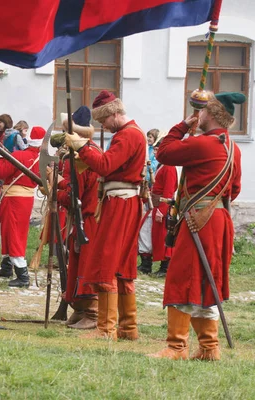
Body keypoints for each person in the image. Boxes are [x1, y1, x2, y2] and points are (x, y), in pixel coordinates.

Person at [148, 92, 242, 361]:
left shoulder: (203, 144)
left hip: (200, 220)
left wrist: (182, 126)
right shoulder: (232, 147)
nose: (198, 115)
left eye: (201, 111)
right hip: (218, 220)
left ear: (209, 114)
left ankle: (177, 346)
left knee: (183, 277)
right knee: (205, 281)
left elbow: (164, 152)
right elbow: (233, 190)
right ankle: (209, 347)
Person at [65, 91, 146, 340]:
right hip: (121, 202)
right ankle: (127, 328)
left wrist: (83, 146)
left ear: (113, 114)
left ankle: (106, 329)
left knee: (108, 263)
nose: (103, 126)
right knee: (121, 266)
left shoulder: (128, 135)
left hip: (120, 204)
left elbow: (105, 165)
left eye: (103, 121)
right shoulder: (129, 134)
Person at [54, 106, 101, 329]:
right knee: (77, 263)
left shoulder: (83, 157)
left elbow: (75, 195)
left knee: (86, 266)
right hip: (83, 217)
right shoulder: (85, 151)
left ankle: (92, 312)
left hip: (89, 218)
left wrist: (56, 186)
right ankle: (81, 309)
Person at [0, 126, 43, 287]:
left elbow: (1, 172)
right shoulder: (42, 159)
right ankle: (7, 266)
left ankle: (22, 274)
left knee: (13, 233)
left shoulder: (19, 155)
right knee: (7, 229)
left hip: (13, 199)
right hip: (24, 200)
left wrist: (0, 155)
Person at [137, 137, 178, 276]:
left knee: (164, 237)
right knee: (145, 233)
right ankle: (146, 264)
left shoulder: (169, 167)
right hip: (155, 205)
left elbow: (169, 191)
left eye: (157, 149)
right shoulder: (162, 165)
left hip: (162, 207)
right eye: (154, 149)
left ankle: (165, 268)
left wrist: (162, 210)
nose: (155, 152)